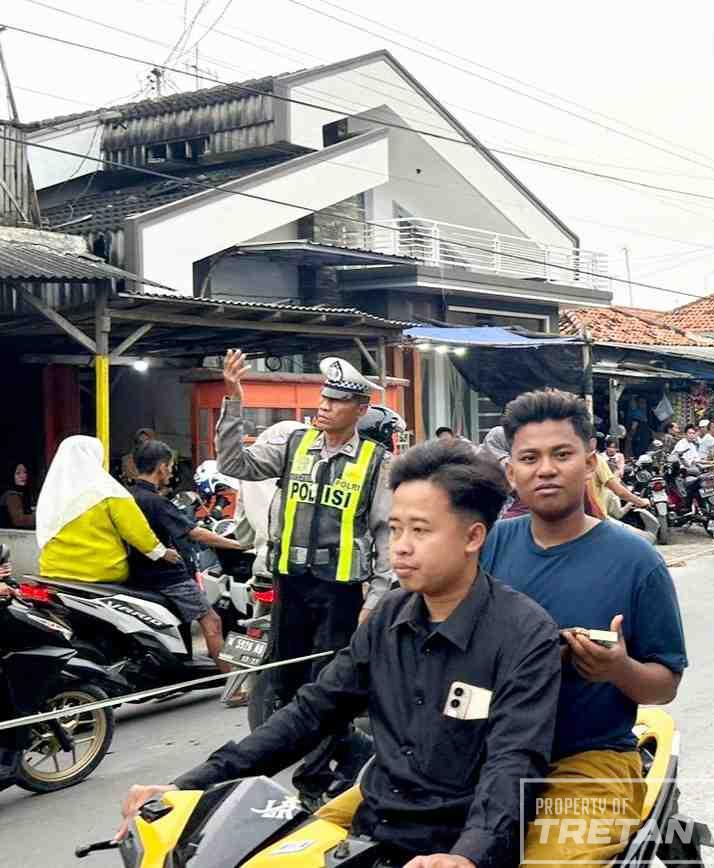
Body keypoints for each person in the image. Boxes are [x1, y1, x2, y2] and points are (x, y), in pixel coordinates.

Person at [118, 441, 562, 868]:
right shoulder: (389, 618)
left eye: (421, 531)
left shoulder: (524, 634)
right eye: (396, 529)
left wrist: (469, 853)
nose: (401, 547)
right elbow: (311, 712)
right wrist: (188, 786)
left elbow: (515, 759)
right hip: (372, 831)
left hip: (456, 844)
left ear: (473, 537)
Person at [479, 389, 688, 865]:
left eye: (562, 454)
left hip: (590, 761)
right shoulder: (487, 547)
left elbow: (665, 685)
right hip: (486, 751)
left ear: (591, 463)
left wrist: (617, 669)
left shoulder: (638, 561)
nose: (545, 469)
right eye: (529, 457)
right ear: (511, 472)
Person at [213, 350, 394, 807]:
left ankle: (316, 779)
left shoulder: (376, 463)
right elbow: (235, 466)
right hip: (291, 587)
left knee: (329, 687)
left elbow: (385, 537)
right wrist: (233, 401)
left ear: (359, 409)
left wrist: (374, 600)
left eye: (336, 401)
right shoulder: (293, 444)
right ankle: (299, 763)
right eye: (324, 397)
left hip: (341, 594)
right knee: (283, 683)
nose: (325, 406)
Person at [127, 440, 244, 674]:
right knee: (212, 622)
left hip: (137, 573)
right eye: (169, 466)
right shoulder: (156, 502)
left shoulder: (127, 496)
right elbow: (195, 533)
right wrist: (238, 544)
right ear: (161, 467)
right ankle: (233, 683)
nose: (171, 471)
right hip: (168, 578)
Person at [37, 435, 184, 583]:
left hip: (52, 572)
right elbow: (135, 530)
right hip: (100, 574)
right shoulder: (108, 491)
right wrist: (161, 552)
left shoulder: (51, 494)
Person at [2, 463, 35, 529]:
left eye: (25, 472)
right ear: (11, 475)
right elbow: (20, 520)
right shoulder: (12, 495)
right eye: (18, 473)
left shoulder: (23, 493)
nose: (23, 476)